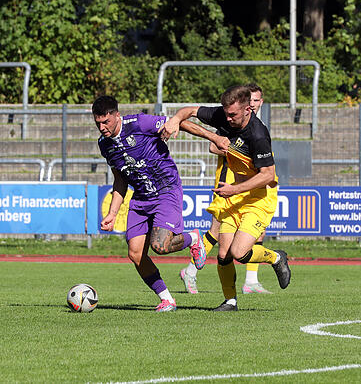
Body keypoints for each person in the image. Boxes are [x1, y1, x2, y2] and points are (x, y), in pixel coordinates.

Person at [93, 95, 228, 312]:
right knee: (135, 254)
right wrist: (112, 212)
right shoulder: (105, 145)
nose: (101, 127)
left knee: (160, 246)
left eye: (105, 122)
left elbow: (179, 123)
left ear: (117, 115)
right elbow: (120, 179)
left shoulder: (138, 123)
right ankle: (167, 299)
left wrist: (214, 138)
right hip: (141, 197)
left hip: (166, 188)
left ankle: (193, 238)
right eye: (97, 122)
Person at [162, 85, 290, 311]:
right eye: (226, 113)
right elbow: (189, 112)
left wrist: (235, 190)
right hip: (235, 193)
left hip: (259, 197)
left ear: (248, 110)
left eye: (234, 115)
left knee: (239, 253)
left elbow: (268, 175)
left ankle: (275, 258)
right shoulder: (223, 114)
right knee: (223, 254)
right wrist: (174, 119)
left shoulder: (258, 134)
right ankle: (230, 300)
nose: (228, 118)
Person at [179, 83, 272, 294]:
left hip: (247, 187)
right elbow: (215, 145)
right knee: (218, 233)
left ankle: (251, 280)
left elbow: (264, 168)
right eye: (252, 100)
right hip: (227, 180)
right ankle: (191, 271)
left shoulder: (257, 127)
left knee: (256, 234)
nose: (255, 104)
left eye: (257, 101)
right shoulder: (231, 120)